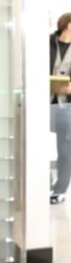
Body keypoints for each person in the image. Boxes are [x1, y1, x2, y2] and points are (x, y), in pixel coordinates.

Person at [50, 12, 71, 205]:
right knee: (34, 146)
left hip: (67, 106)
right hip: (43, 103)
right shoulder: (48, 43)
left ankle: (60, 190)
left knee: (65, 149)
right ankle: (42, 182)